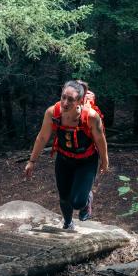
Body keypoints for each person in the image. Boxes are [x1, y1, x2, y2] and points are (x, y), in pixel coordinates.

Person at [24, 79, 109, 230]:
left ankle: (87, 201)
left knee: (77, 201)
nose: (65, 102)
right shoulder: (52, 113)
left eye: (70, 99)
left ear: (80, 101)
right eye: (63, 97)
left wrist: (104, 160)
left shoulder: (90, 117)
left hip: (86, 161)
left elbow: (100, 140)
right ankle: (68, 223)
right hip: (64, 159)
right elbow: (42, 137)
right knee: (64, 197)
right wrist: (32, 161)